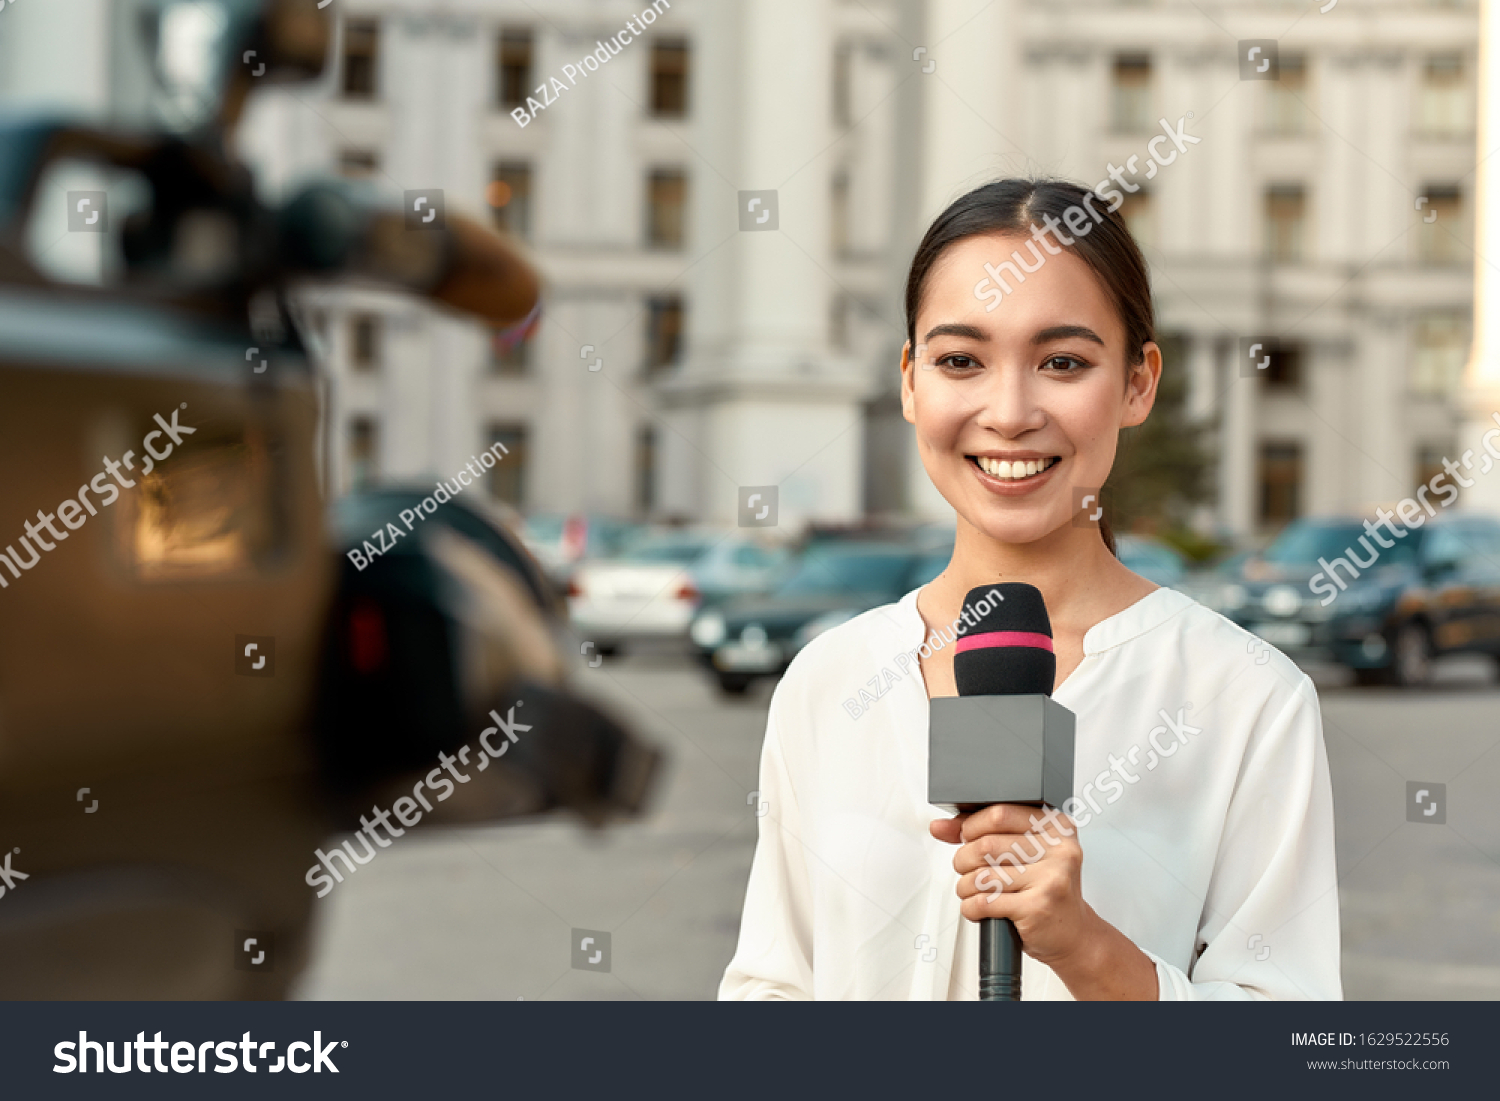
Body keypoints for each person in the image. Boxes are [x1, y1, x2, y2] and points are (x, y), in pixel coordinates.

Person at [718, 179, 1341, 1000]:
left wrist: (1087, 947)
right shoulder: (828, 682)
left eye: (1063, 363)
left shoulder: (1246, 698)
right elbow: (772, 987)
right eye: (960, 361)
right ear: (910, 381)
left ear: (1137, 383)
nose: (1009, 412)